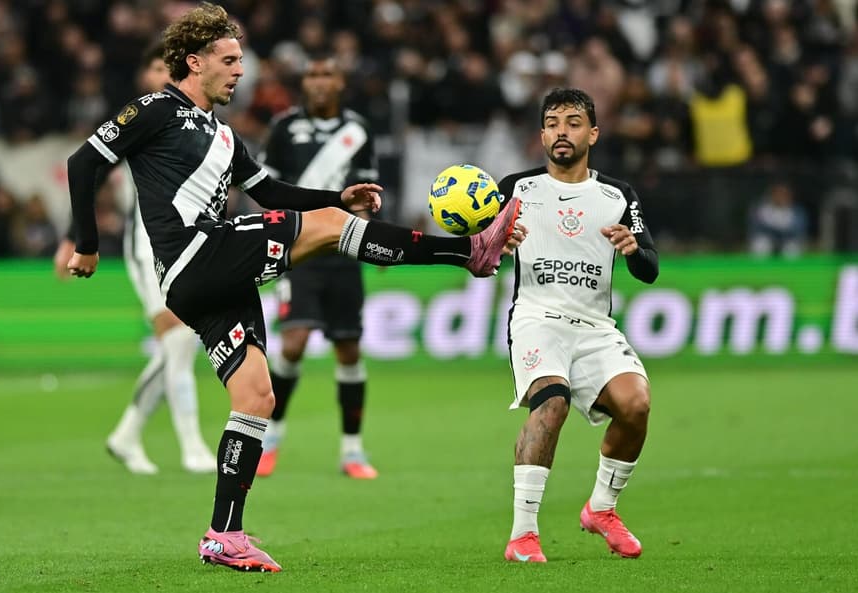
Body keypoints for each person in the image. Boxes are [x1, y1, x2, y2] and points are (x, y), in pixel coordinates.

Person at [65, 3, 525, 573]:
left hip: (211, 278)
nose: (241, 72)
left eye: (242, 61)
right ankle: (468, 252)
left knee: (256, 395)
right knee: (332, 237)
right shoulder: (158, 108)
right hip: (194, 256)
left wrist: (336, 199)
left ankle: (223, 535)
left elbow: (273, 193)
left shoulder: (226, 138)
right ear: (193, 61)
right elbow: (83, 162)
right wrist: (88, 243)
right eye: (230, 60)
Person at [498, 88, 658, 563]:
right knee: (552, 402)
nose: (561, 131)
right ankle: (522, 535)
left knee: (636, 404)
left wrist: (634, 248)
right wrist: (496, 243)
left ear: (593, 132)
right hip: (536, 318)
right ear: (541, 133)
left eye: (572, 122)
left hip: (594, 326)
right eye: (552, 122)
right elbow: (478, 251)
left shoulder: (617, 195)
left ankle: (601, 510)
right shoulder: (516, 188)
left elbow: (649, 267)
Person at [55, 43, 217, 475]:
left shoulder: (197, 119)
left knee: (179, 346)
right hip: (146, 241)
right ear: (144, 76)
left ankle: (127, 434)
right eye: (155, 67)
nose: (163, 74)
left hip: (189, 240)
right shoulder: (139, 117)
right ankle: (192, 446)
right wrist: (73, 239)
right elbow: (92, 173)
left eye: (170, 67)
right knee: (179, 341)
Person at [255, 54, 378, 480]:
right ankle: (270, 439)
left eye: (327, 74)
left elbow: (367, 194)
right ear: (303, 82)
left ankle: (353, 451)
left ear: (340, 82)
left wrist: (374, 242)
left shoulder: (359, 130)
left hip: (344, 252)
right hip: (300, 249)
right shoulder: (285, 127)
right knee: (294, 343)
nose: (319, 82)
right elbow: (266, 187)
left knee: (349, 348)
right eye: (312, 75)